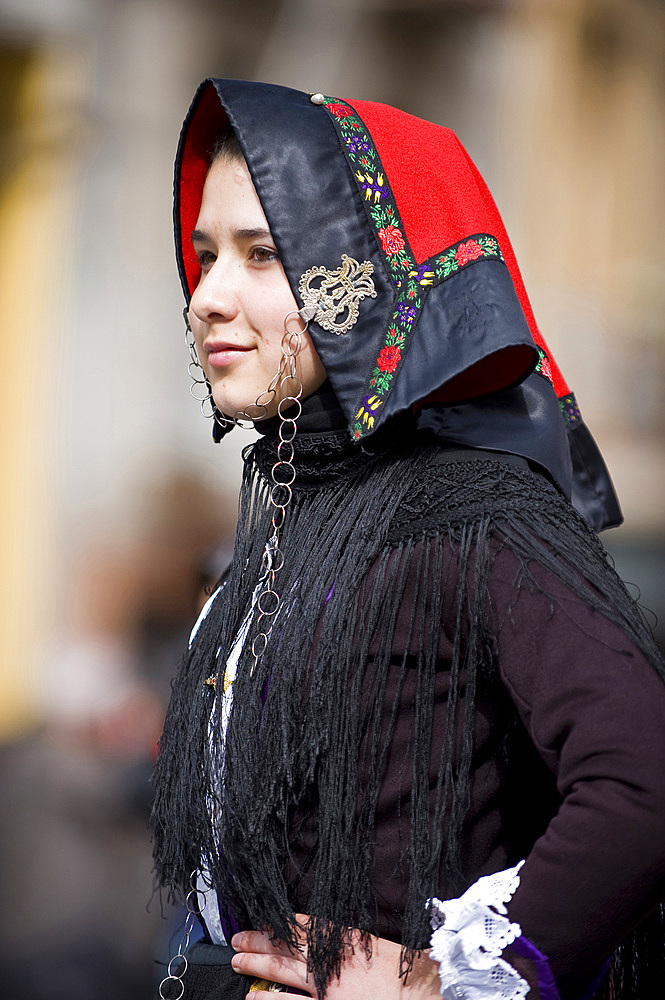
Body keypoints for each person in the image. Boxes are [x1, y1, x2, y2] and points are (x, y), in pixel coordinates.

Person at [151, 80, 665, 1000]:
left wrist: (449, 982)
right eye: (204, 255)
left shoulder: (472, 511)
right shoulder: (281, 522)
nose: (209, 297)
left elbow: (644, 778)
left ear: (369, 273)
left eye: (263, 254)